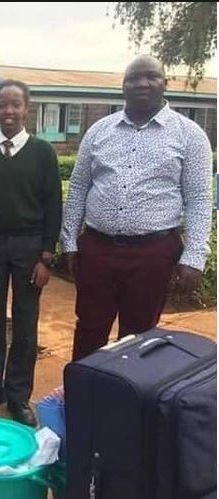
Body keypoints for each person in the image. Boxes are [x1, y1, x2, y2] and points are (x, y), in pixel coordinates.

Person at [61, 55, 213, 361]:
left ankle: (128, 405)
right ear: (123, 86)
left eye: (151, 77)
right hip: (98, 249)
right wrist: (69, 241)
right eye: (133, 78)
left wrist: (194, 256)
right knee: (89, 328)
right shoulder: (99, 131)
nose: (142, 83)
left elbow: (198, 198)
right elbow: (78, 187)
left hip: (153, 252)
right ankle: (82, 400)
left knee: (140, 336)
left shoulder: (190, 135)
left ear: (164, 83)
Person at [0, 80, 62, 427]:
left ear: (26, 108)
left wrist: (46, 256)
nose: (8, 111)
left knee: (24, 323)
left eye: (15, 104)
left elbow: (54, 206)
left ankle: (18, 395)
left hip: (28, 247)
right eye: (2, 105)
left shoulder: (43, 154)